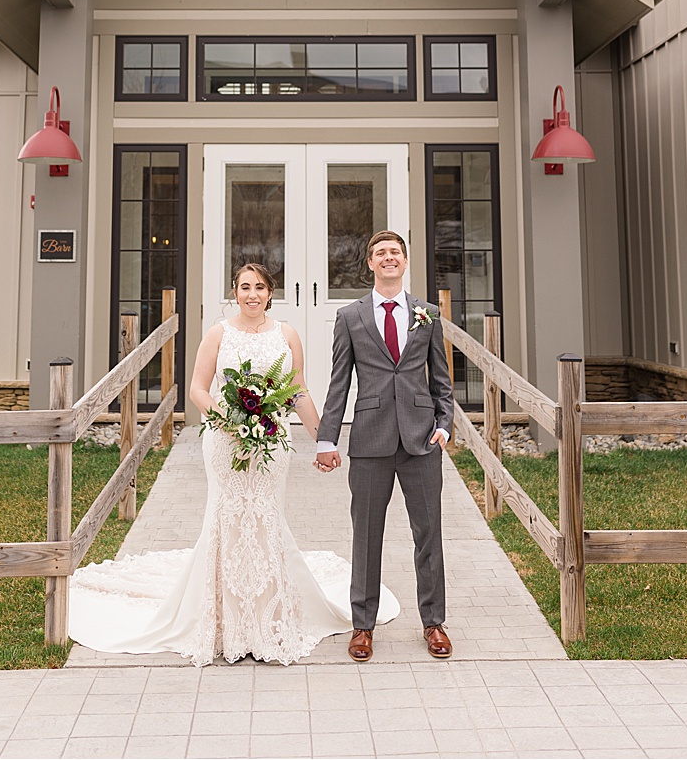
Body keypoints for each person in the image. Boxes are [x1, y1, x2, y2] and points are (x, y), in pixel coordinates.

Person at [68, 262, 399, 664]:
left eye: (259, 287)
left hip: (271, 442)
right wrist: (228, 419)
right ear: (235, 292)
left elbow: (296, 390)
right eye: (244, 287)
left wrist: (323, 439)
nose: (252, 294)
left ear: (270, 292)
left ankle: (268, 620)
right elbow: (197, 389)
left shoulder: (287, 334)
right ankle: (224, 621)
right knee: (228, 516)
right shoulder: (218, 333)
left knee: (265, 517)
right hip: (226, 441)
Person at [315, 228, 454, 662]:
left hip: (421, 440)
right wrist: (326, 438)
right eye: (381, 253)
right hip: (370, 440)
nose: (389, 258)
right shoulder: (351, 317)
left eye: (395, 252)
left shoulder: (427, 314)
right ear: (371, 263)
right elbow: (339, 383)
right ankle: (363, 626)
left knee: (428, 534)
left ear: (405, 261)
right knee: (367, 535)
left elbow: (441, 381)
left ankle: (434, 623)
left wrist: (445, 426)